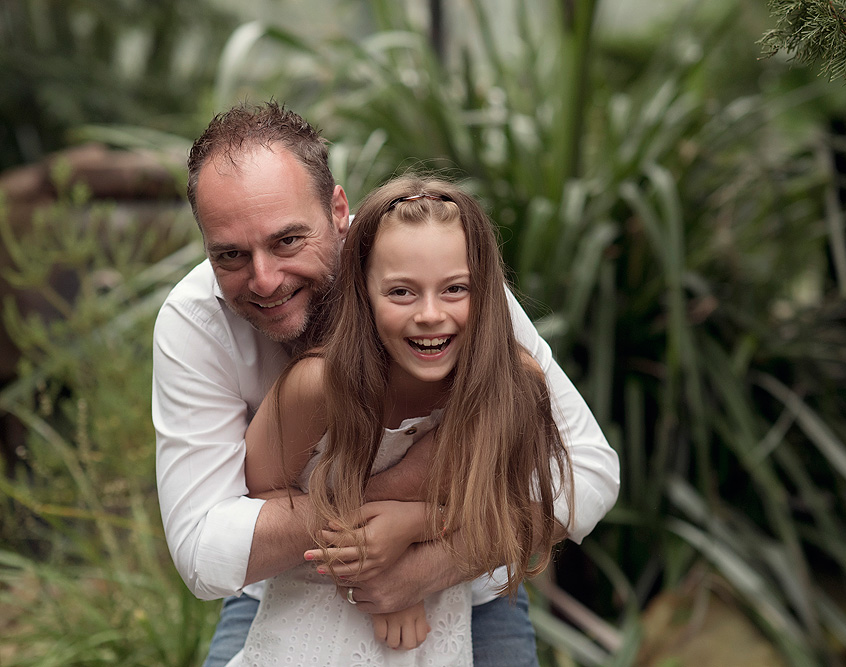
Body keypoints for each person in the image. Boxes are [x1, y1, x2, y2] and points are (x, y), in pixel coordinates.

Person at [152, 101, 620, 667]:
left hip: (464, 581)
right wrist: (389, 510)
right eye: (230, 254)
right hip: (290, 588)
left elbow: (588, 473)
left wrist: (430, 557)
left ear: (338, 211)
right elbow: (204, 551)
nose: (265, 279)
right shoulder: (198, 323)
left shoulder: (426, 271)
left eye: (287, 241)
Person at [225, 175, 572, 665]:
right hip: (313, 633)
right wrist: (367, 571)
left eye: (455, 289)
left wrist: (414, 526)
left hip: (434, 633)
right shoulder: (318, 385)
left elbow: (515, 501)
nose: (430, 315)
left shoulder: (510, 388)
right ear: (362, 293)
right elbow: (259, 505)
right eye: (402, 293)